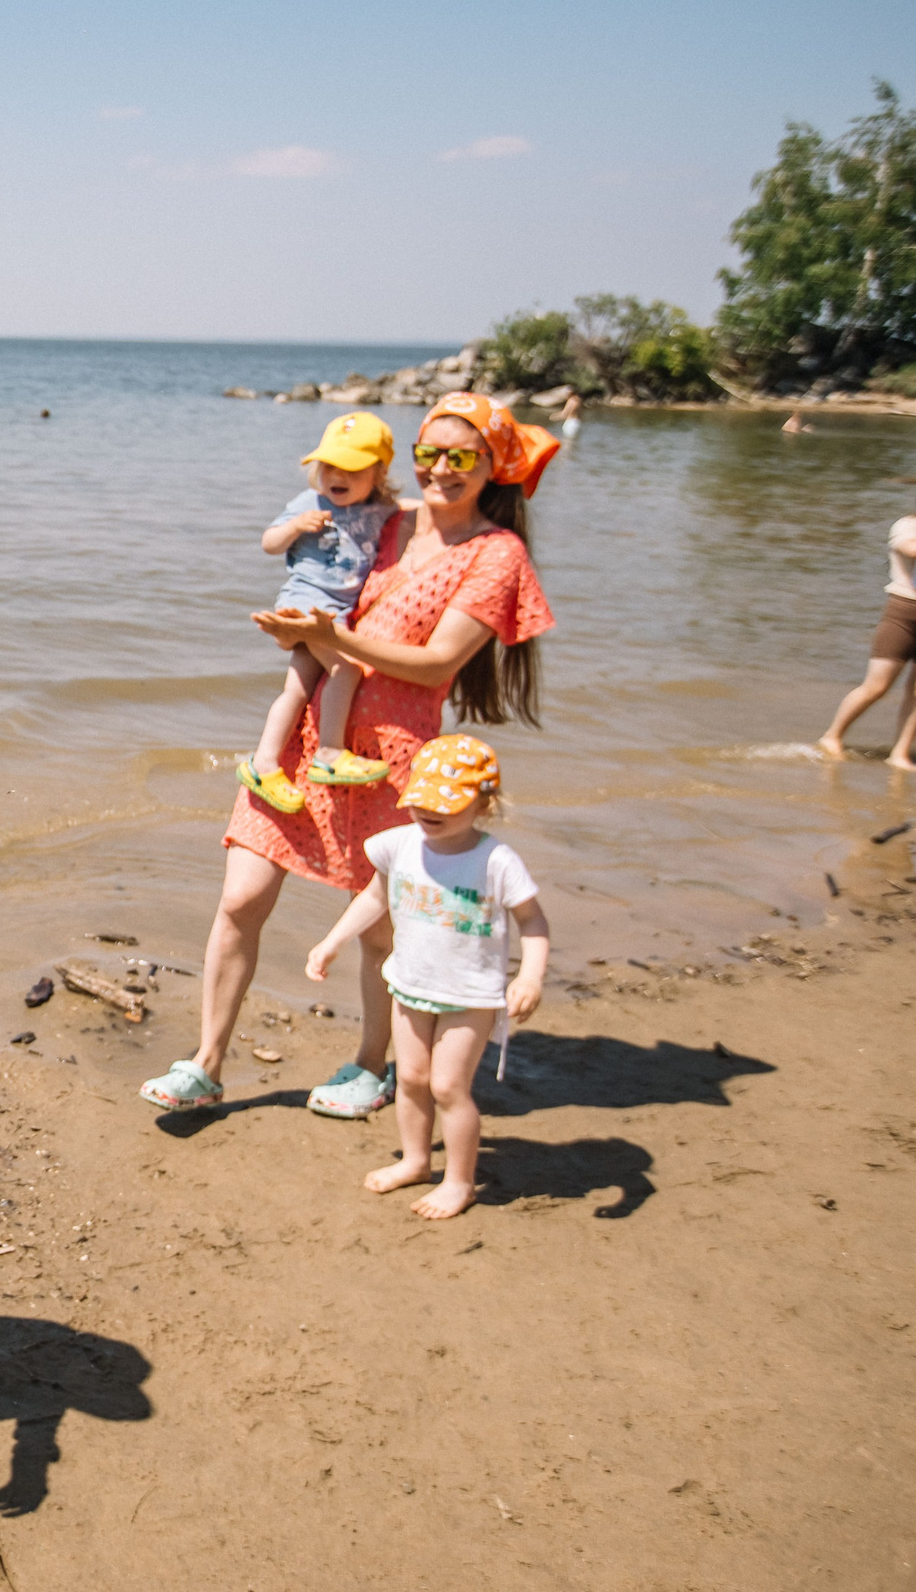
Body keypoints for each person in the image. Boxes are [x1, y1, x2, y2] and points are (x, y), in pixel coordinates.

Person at [141, 391, 557, 1119]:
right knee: (240, 898)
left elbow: (434, 664)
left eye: (462, 457)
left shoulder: (498, 554)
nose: (442, 469)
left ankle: (372, 1064)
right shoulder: (381, 518)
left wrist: (331, 640)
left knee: (380, 930)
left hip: (393, 759)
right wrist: (295, 630)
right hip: (307, 740)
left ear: (494, 466)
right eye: (430, 452)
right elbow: (310, 575)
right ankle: (205, 1061)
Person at [303, 735, 550, 1219]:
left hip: (469, 994)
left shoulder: (495, 860)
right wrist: (331, 942)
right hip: (409, 983)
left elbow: (533, 922)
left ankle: (459, 1182)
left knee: (447, 1087)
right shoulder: (400, 845)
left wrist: (531, 977)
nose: (427, 813)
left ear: (485, 804)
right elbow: (373, 900)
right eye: (420, 800)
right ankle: (416, 1161)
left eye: (444, 805)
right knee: (412, 1078)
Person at [238, 412, 402, 814]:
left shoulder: (383, 509)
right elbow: (268, 543)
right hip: (306, 604)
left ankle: (264, 763)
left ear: (378, 474)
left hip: (336, 616)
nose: (335, 475)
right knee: (345, 670)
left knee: (297, 689)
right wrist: (296, 526)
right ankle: (329, 753)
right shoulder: (308, 503)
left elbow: (413, 513)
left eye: (350, 468)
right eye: (328, 465)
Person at [817, 466, 916, 770]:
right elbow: (914, 551)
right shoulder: (908, 526)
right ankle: (832, 736)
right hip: (905, 613)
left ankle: (901, 753)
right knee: (877, 686)